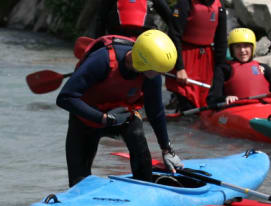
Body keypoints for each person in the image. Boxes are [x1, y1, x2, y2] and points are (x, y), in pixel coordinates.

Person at [56, 30, 182, 187]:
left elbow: (156, 112)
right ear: (142, 63)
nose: (159, 75)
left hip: (121, 117)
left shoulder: (150, 73)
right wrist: (102, 119)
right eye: (157, 71)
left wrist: (166, 150)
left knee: (136, 130)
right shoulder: (102, 60)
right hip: (85, 119)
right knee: (78, 182)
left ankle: (144, 184)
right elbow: (65, 98)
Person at [167, 0, 228, 111]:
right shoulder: (185, 2)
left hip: (207, 60)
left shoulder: (219, 7)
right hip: (186, 57)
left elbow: (221, 42)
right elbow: (174, 35)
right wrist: (180, 68)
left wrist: (221, 71)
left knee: (205, 102)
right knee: (187, 100)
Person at [206, 28, 271, 109]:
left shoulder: (264, 68)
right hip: (238, 111)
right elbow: (212, 99)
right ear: (232, 49)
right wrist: (225, 98)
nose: (242, 50)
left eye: (246, 46)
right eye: (238, 46)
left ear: (252, 48)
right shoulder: (224, 70)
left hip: (264, 109)